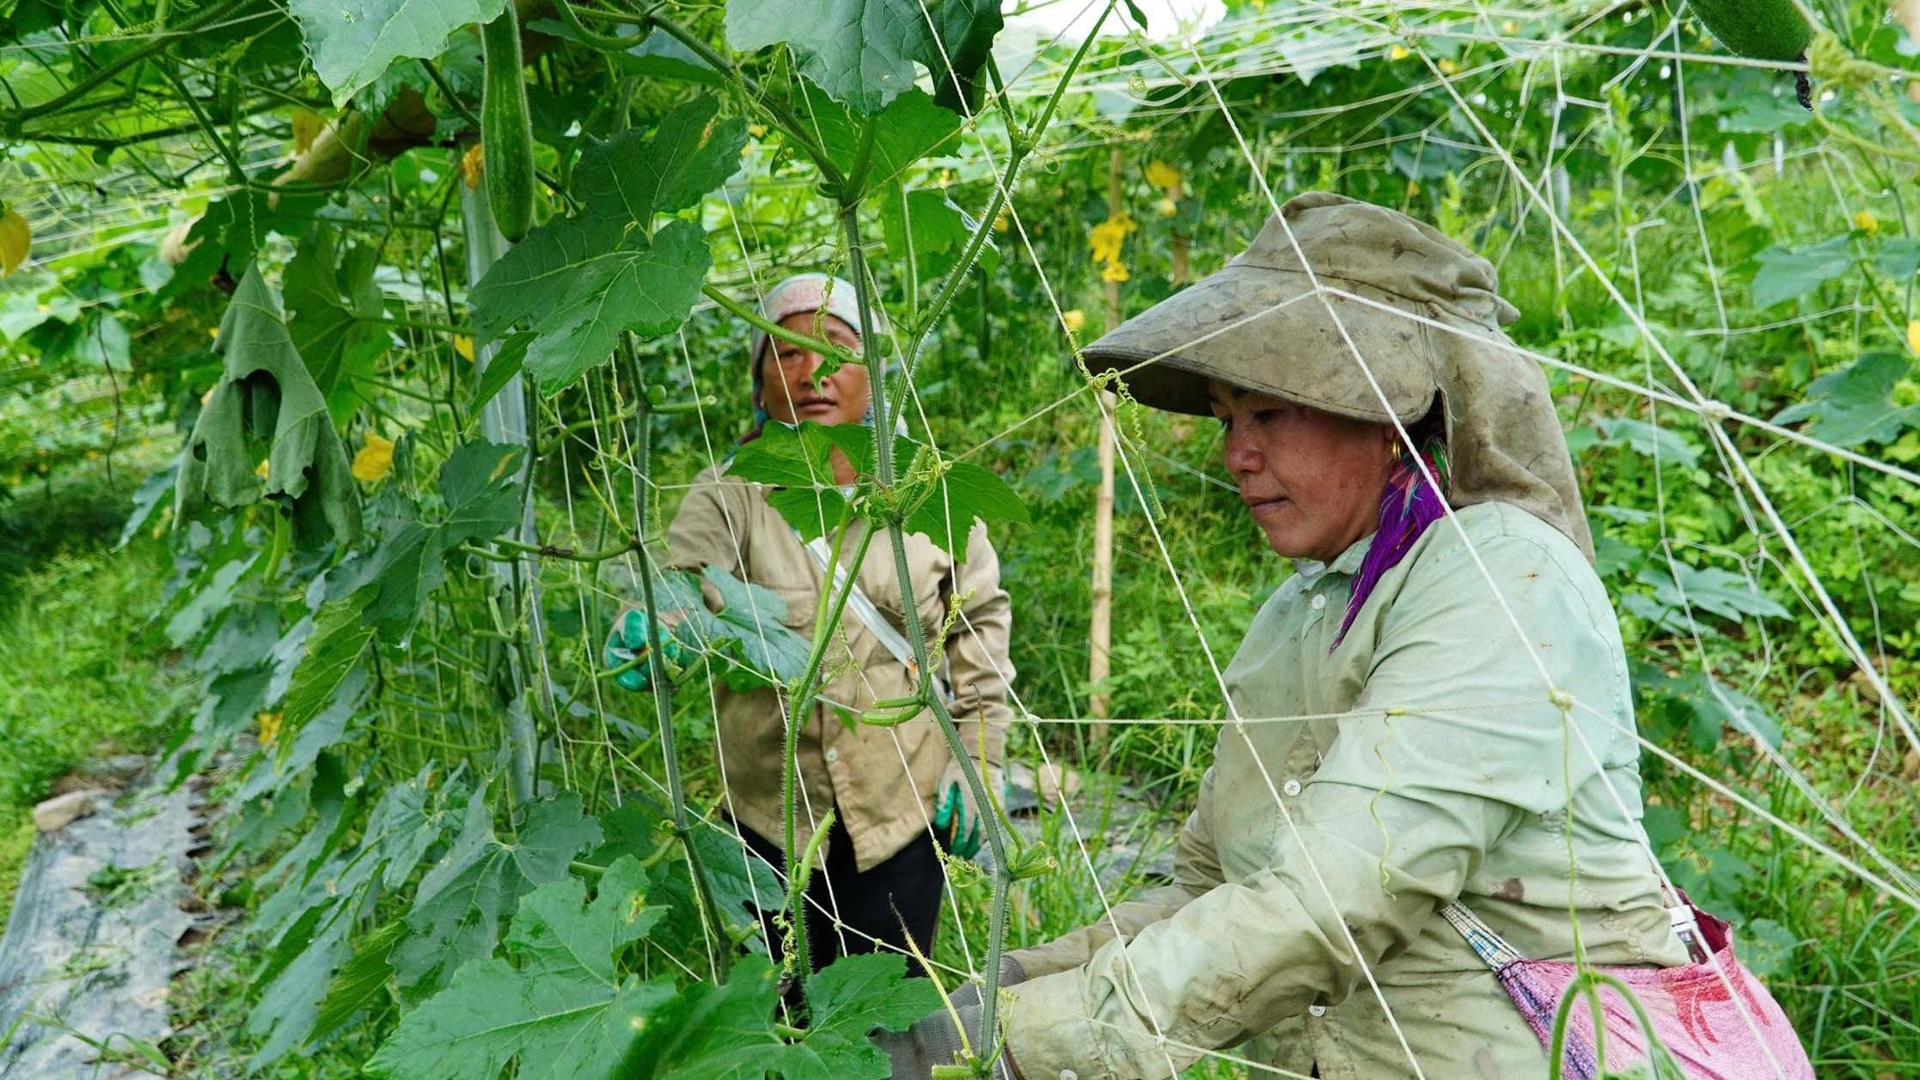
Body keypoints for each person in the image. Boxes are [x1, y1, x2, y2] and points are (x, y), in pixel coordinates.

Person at [880, 194, 1812, 1079]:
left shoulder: (1499, 579)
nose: (1236, 454)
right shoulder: (1304, 609)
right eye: (1227, 420)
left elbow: (1335, 901)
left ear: (1393, 415)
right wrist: (1004, 995)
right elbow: (1208, 885)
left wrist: (1016, 1047)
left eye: (1271, 413)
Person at [606, 273, 1015, 979]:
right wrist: (656, 622)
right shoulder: (727, 496)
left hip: (901, 823)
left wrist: (979, 763)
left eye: (835, 346)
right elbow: (680, 580)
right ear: (760, 385)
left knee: (889, 1030)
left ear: (876, 378)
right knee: (775, 1025)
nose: (812, 369)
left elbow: (977, 628)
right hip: (764, 830)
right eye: (786, 351)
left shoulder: (932, 494)